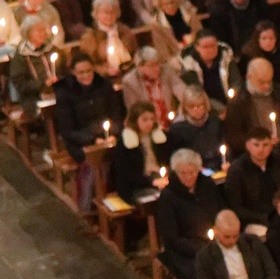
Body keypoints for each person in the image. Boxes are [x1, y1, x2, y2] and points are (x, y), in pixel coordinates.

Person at [53, 52, 125, 200]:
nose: (86, 75)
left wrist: (113, 134)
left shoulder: (104, 85)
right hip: (81, 142)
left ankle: (120, 193)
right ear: (74, 73)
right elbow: (67, 130)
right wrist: (93, 140)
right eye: (81, 72)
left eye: (89, 71)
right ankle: (94, 197)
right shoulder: (65, 93)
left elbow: (117, 114)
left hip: (109, 136)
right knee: (97, 159)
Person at [155, 148, 225, 279]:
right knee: (209, 272)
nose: (188, 177)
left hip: (214, 243)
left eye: (192, 172)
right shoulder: (169, 196)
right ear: (176, 172)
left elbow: (221, 211)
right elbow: (170, 238)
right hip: (185, 252)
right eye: (183, 173)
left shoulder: (208, 185)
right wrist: (201, 249)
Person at [223, 57, 280, 156]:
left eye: (269, 81)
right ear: (249, 77)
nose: (267, 86)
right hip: (253, 156)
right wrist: (260, 143)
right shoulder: (238, 101)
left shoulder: (279, 92)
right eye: (261, 82)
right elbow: (234, 137)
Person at [225, 127, 280, 227]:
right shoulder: (237, 170)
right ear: (248, 145)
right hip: (255, 221)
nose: (261, 149)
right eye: (256, 145)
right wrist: (263, 218)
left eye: (265, 145)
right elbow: (236, 207)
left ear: (271, 145)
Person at [111, 101, 171, 202]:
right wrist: (152, 182)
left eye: (152, 119)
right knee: (161, 197)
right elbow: (126, 173)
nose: (149, 123)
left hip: (159, 177)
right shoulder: (125, 142)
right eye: (145, 120)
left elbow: (169, 160)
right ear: (135, 120)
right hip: (136, 186)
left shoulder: (160, 137)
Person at [179, 29, 241, 114]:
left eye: (213, 46)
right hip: (205, 108)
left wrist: (233, 101)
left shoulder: (226, 58)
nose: (210, 50)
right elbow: (197, 93)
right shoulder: (189, 66)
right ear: (197, 48)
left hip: (231, 103)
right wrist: (220, 109)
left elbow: (236, 82)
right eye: (205, 47)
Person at [121, 46, 186, 123]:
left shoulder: (167, 71)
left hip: (173, 118)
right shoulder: (130, 81)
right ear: (140, 67)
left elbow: (180, 89)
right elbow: (135, 109)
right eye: (151, 65)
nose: (157, 68)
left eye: (157, 64)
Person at [8, 18, 59, 118]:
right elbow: (20, 84)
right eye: (38, 31)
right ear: (28, 33)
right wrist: (43, 84)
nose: (42, 33)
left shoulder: (51, 49)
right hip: (32, 97)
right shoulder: (21, 56)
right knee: (45, 112)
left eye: (43, 30)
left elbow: (63, 69)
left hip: (55, 91)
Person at [166, 86, 225, 168]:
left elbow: (225, 146)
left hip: (219, 165)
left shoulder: (215, 122)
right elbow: (177, 157)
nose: (197, 110)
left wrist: (226, 162)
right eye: (192, 107)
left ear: (206, 105)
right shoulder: (177, 129)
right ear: (185, 107)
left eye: (201, 106)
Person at [78, 0, 138, 78]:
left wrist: (130, 65)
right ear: (97, 14)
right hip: (103, 79)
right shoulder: (90, 36)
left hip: (128, 75)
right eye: (105, 13)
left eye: (112, 12)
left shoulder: (125, 32)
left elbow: (136, 53)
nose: (109, 16)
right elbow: (87, 64)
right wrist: (105, 71)